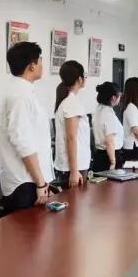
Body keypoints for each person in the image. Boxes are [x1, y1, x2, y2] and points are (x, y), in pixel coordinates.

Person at [0, 42, 54, 213]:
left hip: (31, 178)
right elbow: (22, 142)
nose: (42, 65)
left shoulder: (24, 90)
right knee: (26, 229)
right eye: (40, 61)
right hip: (24, 182)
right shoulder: (20, 95)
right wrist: (40, 182)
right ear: (32, 66)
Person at [54, 60, 90, 188]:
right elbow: (71, 138)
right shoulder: (71, 103)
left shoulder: (69, 101)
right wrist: (74, 171)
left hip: (76, 165)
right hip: (74, 168)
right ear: (79, 79)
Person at [91, 82, 123, 172]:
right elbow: (110, 142)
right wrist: (113, 162)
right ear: (114, 97)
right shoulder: (109, 115)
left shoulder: (98, 110)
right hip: (109, 156)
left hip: (99, 155)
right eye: (119, 96)